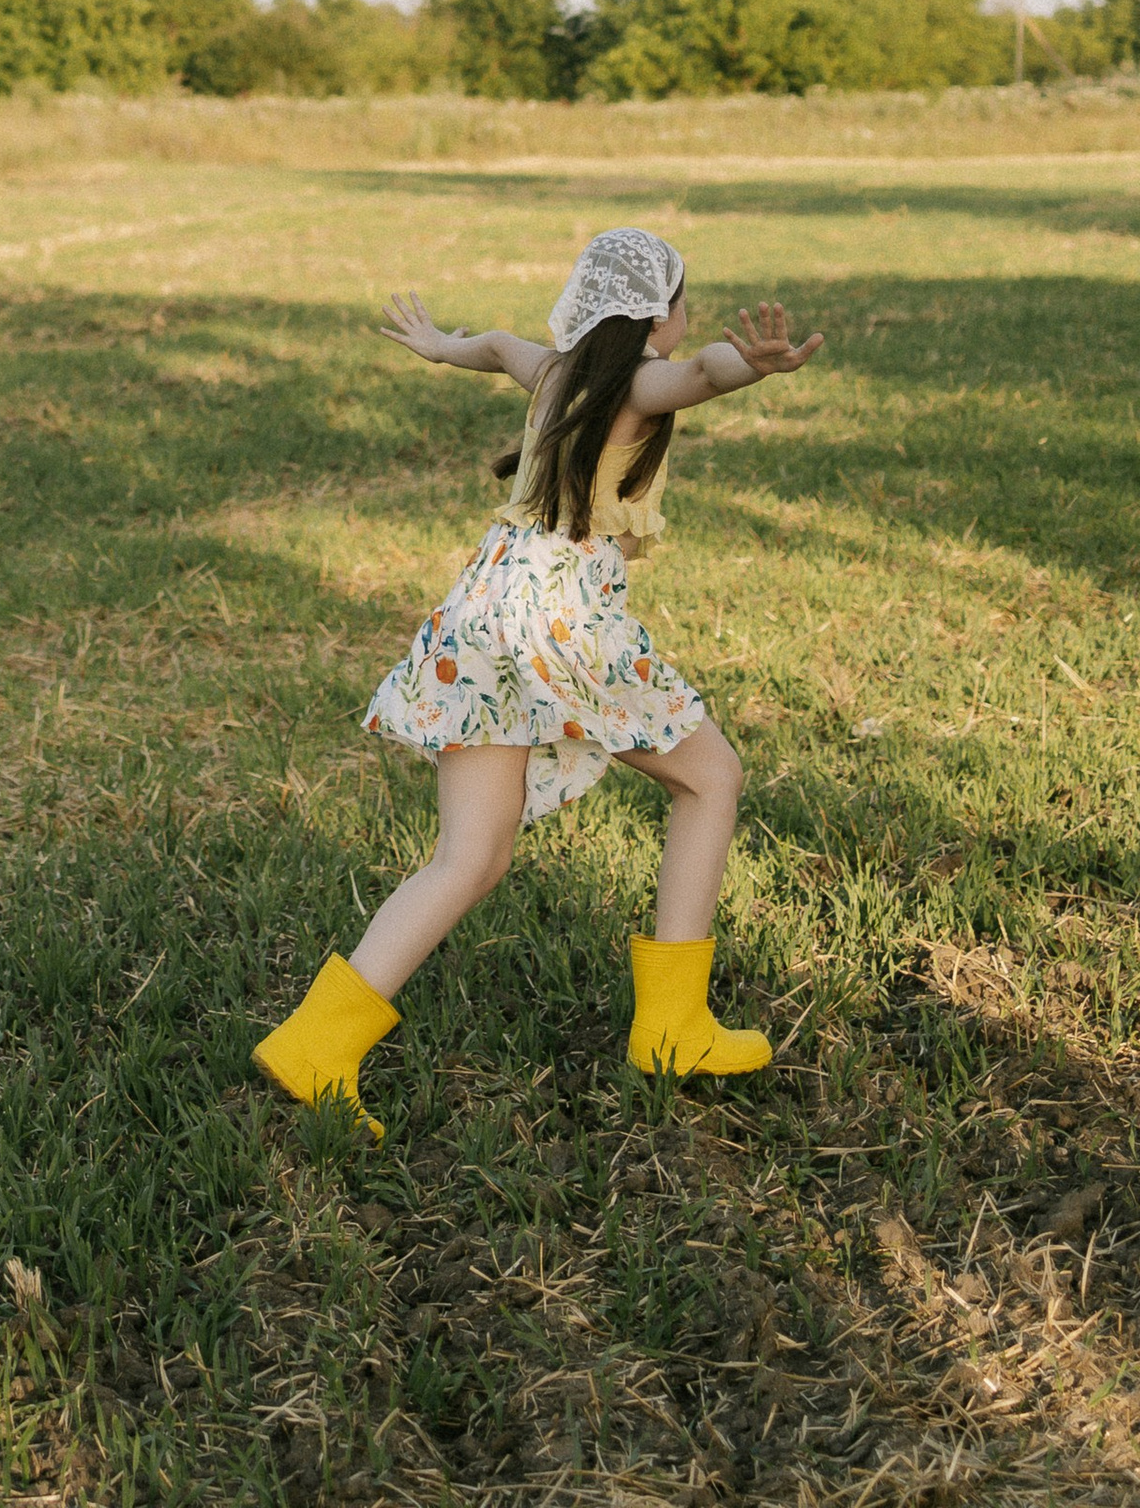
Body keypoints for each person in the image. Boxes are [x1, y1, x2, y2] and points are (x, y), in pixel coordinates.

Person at [252, 225, 823, 1132]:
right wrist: (749, 366)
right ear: (658, 314)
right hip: (563, 620)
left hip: (485, 612)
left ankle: (316, 1043)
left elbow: (492, 346)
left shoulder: (555, 372)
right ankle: (672, 1029)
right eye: (683, 303)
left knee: (469, 857)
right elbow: (700, 375)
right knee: (712, 778)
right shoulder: (636, 382)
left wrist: (441, 346)